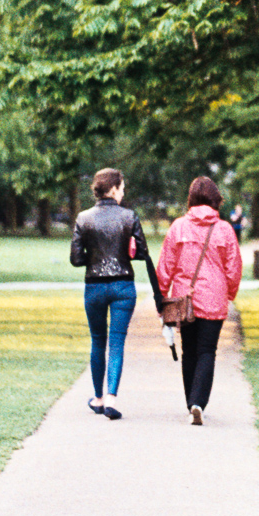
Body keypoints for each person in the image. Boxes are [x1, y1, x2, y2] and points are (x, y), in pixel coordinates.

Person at [70, 168, 156, 421]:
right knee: (117, 342)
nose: (124, 191)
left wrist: (94, 258)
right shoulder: (129, 217)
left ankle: (97, 397)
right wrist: (123, 250)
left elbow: (76, 259)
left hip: (94, 286)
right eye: (122, 187)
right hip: (123, 287)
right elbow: (141, 252)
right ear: (114, 189)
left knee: (98, 340)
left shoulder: (84, 218)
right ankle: (111, 399)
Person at [158, 176, 242, 426]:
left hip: (186, 299)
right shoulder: (225, 229)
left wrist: (163, 298)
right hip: (214, 298)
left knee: (189, 352)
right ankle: (198, 402)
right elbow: (234, 268)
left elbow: (166, 265)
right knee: (207, 351)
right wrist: (229, 294)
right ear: (215, 199)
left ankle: (190, 403)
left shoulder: (179, 227)